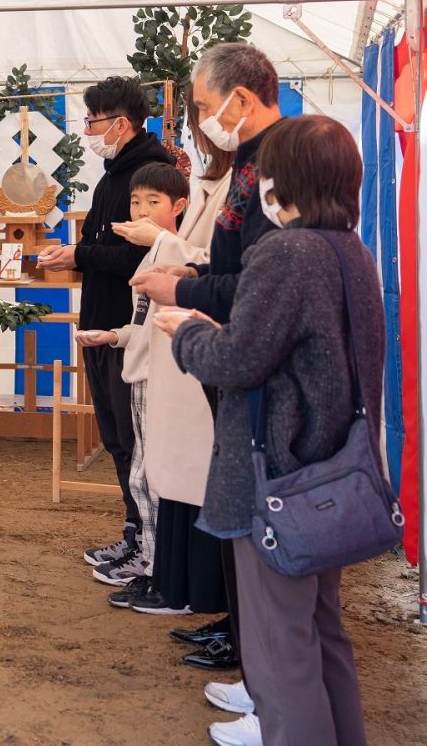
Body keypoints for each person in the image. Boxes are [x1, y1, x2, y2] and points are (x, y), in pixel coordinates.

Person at [160, 115, 381, 746]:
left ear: (280, 180)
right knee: (321, 633)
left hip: (276, 478)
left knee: (281, 649)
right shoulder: (351, 249)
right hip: (328, 473)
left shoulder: (288, 251)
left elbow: (239, 360)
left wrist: (190, 331)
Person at [131, 44, 286, 713]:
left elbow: (257, 283)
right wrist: (189, 281)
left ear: (240, 99)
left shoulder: (277, 170)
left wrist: (185, 283)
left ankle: (273, 694)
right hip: (228, 365)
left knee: (268, 555)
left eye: (201, 108)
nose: (202, 124)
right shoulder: (249, 167)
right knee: (242, 542)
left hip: (252, 378)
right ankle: (254, 667)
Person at [39, 76, 175, 582]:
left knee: (137, 442)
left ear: (120, 123)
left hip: (132, 328)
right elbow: (101, 245)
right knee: (119, 440)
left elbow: (144, 255)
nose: (87, 130)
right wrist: (75, 256)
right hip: (102, 322)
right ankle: (134, 532)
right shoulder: (111, 174)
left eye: (93, 121)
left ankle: (151, 545)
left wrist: (81, 255)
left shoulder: (150, 173)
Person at [75, 162, 192, 599]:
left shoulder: (176, 248)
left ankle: (159, 567)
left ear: (178, 206)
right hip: (139, 369)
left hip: (160, 377)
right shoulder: (150, 253)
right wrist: (115, 335)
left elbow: (196, 267)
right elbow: (141, 321)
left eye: (153, 202)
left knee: (152, 472)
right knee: (140, 471)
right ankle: (146, 552)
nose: (141, 210)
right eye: (135, 201)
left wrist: (161, 239)